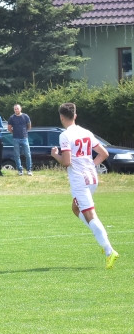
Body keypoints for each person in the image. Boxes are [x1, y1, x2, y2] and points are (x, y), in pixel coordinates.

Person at [50, 102, 119, 269]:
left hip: (80, 180)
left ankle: (109, 250)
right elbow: (104, 153)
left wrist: (55, 155)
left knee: (90, 215)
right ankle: (101, 235)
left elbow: (66, 162)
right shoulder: (86, 132)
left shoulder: (65, 135)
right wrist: (91, 164)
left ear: (61, 117)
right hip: (92, 178)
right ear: (75, 116)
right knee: (76, 209)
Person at [7, 103, 33, 176]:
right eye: (15, 109)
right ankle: (20, 170)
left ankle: (29, 170)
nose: (16, 110)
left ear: (20, 108)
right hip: (16, 139)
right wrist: (14, 132)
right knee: (17, 155)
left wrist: (24, 132)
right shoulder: (12, 118)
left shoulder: (25, 116)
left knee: (28, 154)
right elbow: (9, 128)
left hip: (25, 138)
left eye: (17, 108)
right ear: (14, 110)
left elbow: (29, 126)